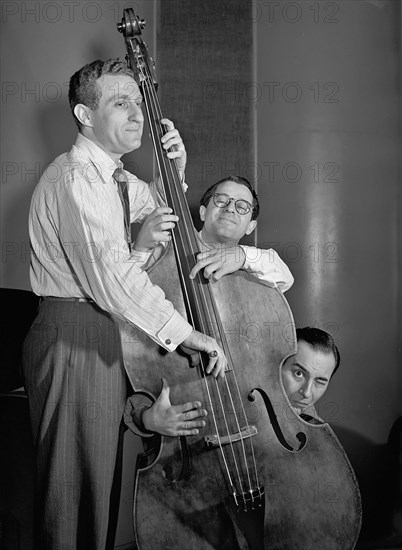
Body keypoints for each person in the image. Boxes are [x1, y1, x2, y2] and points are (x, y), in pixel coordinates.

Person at [21, 58, 291, 550]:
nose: (137, 113)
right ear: (84, 114)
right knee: (72, 489)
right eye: (120, 102)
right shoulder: (78, 178)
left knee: (96, 486)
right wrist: (188, 333)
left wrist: (177, 170)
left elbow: (160, 213)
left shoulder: (115, 179)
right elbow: (113, 277)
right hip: (75, 329)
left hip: (103, 329)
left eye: (139, 103)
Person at [126, 175, 294, 437]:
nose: (230, 208)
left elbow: (286, 276)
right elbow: (123, 293)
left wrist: (242, 255)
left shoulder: (253, 267)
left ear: (250, 226)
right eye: (222, 200)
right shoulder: (165, 248)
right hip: (178, 398)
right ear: (204, 211)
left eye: (242, 206)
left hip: (244, 412)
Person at [281, 326, 340, 421]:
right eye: (299, 373)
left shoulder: (318, 434)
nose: (306, 393)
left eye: (319, 382)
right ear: (277, 368)